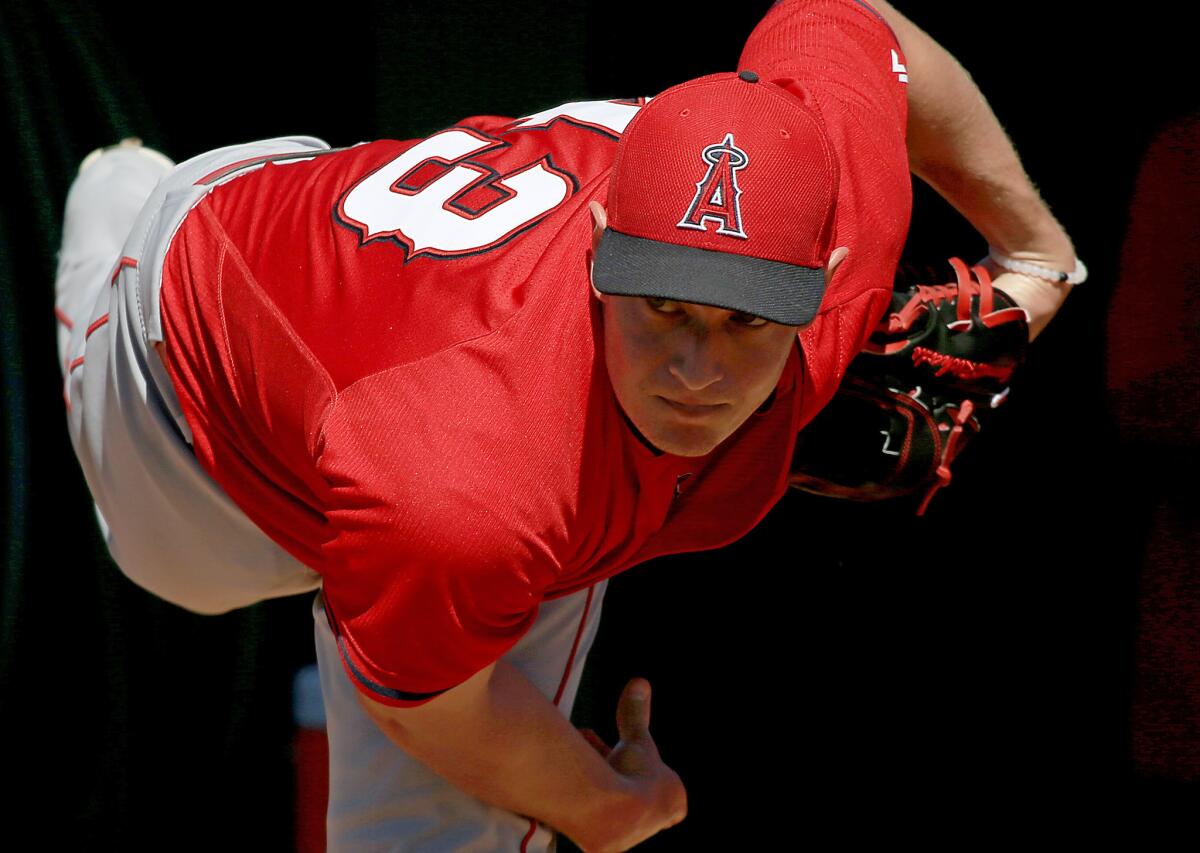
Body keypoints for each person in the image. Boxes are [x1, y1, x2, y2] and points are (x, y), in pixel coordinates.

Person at [53, 1, 1081, 850]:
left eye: (745, 320)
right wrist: (612, 808)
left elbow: (857, 24)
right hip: (186, 400)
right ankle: (117, 190)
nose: (695, 371)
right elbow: (434, 706)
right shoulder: (471, 479)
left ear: (828, 273)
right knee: (207, 581)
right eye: (665, 304)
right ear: (597, 245)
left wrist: (1040, 255)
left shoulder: (841, 205)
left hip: (393, 313)